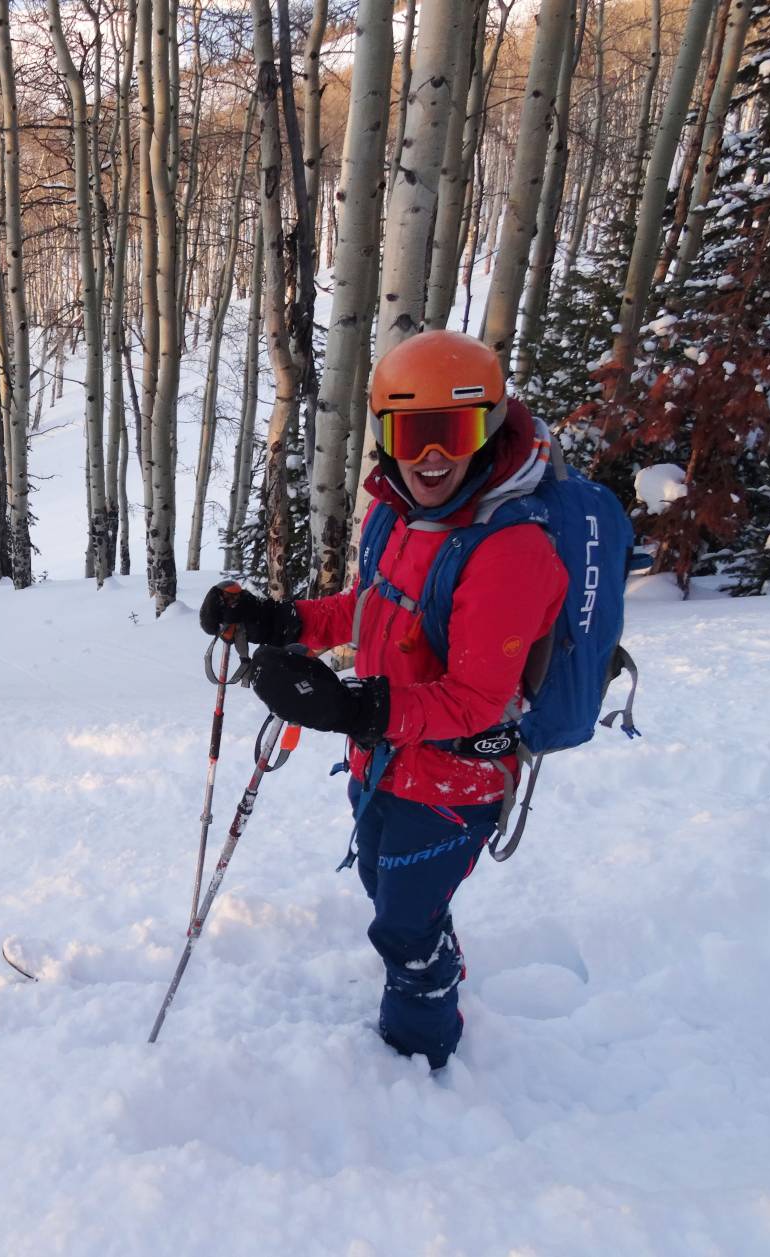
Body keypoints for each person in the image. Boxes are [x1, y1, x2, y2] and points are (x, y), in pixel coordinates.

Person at [200, 329, 568, 1070]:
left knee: (400, 923)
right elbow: (376, 604)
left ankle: (420, 1053)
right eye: (412, 433)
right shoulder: (397, 510)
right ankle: (429, 936)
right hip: (386, 760)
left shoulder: (509, 548)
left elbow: (475, 699)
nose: (432, 456)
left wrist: (356, 709)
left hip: (454, 778)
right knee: (383, 880)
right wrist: (286, 619)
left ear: (489, 426)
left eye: (454, 432)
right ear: (385, 434)